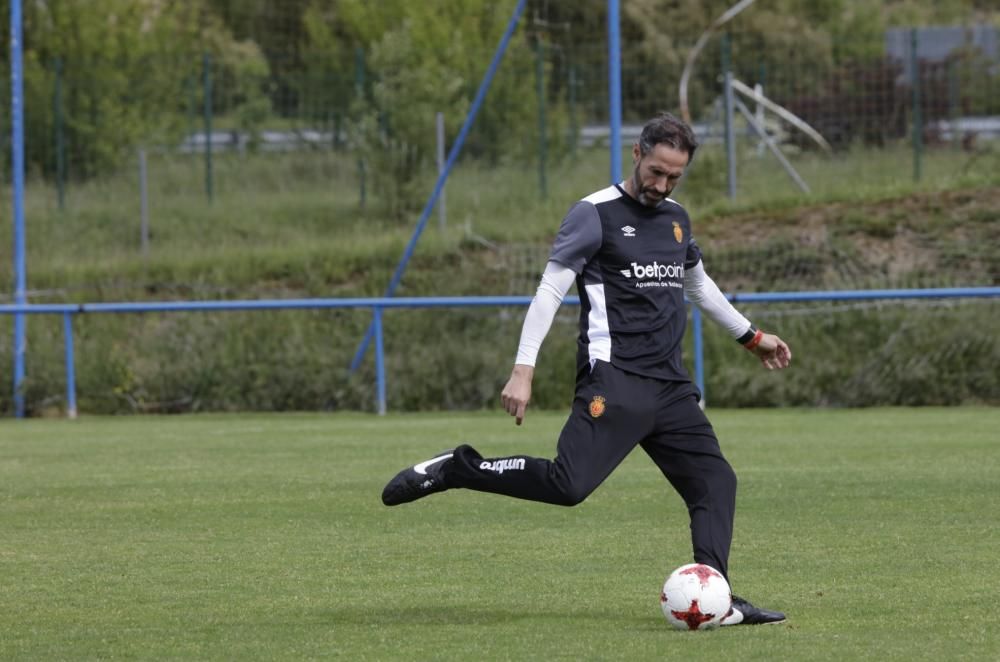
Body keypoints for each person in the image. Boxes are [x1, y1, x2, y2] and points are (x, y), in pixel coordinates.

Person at [382, 112, 792, 626]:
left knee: (715, 482)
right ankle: (458, 468)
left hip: (670, 388)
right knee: (567, 486)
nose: (661, 185)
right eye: (656, 172)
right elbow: (550, 290)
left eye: (674, 178)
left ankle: (716, 600)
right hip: (614, 381)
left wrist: (751, 337)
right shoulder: (593, 214)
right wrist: (523, 369)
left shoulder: (677, 218)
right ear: (637, 154)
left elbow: (697, 283)